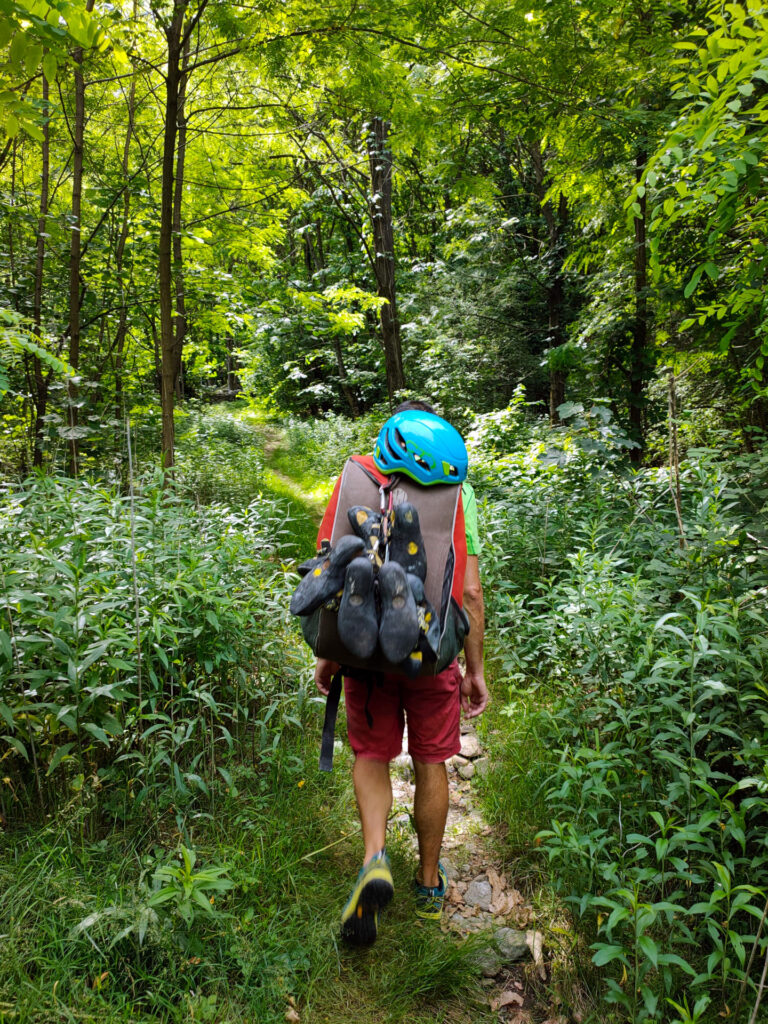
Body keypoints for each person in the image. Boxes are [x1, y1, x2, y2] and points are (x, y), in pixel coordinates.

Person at [313, 400, 489, 946]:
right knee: (433, 759)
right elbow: (472, 592)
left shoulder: (356, 479)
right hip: (431, 649)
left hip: (364, 651)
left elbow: (328, 567)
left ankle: (374, 859)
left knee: (371, 754)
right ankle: (429, 882)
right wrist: (474, 669)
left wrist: (328, 651)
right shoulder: (457, 494)